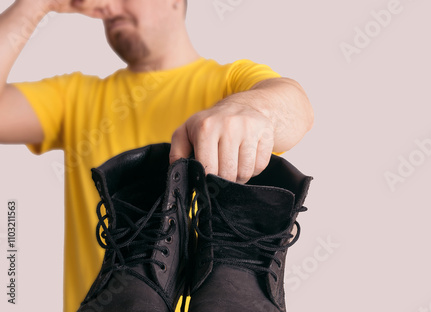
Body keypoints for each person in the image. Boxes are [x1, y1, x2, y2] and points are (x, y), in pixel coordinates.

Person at [0, 0, 314, 311]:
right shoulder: (74, 98)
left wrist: (251, 108)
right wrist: (36, 3)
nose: (109, 7)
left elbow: (295, 107)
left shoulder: (232, 81)